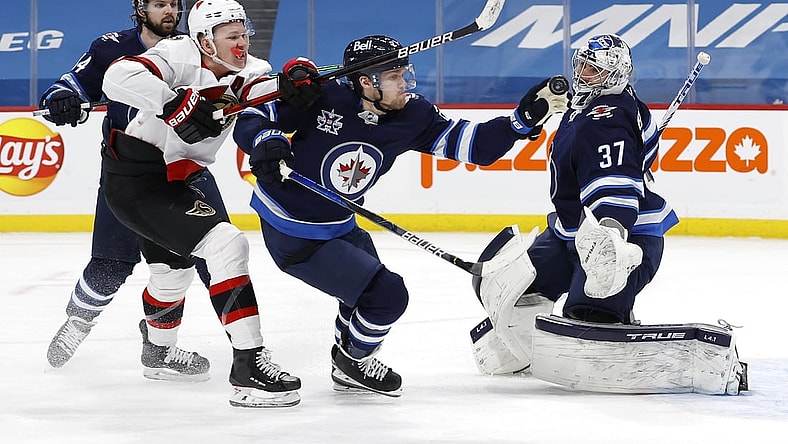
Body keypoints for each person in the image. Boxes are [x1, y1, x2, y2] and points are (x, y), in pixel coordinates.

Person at [232, 34, 569, 397]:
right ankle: (352, 361)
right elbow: (250, 115)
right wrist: (267, 139)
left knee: (360, 297)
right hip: (294, 231)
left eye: (405, 73)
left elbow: (475, 147)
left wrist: (519, 123)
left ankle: (347, 361)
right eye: (394, 77)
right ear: (366, 82)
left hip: (341, 223)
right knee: (387, 295)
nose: (405, 84)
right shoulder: (323, 96)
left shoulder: (413, 115)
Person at [466, 35, 748, 395]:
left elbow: (613, 189)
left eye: (594, 69)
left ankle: (613, 312)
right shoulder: (592, 104)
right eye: (581, 65)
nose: (583, 75)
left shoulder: (606, 118)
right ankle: (548, 331)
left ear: (615, 75)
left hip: (621, 238)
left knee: (589, 316)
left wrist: (611, 241)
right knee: (514, 291)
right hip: (569, 233)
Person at [100, 0, 300, 408]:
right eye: (232, 36)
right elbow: (117, 76)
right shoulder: (177, 53)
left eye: (244, 34)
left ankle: (157, 351)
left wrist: (298, 80)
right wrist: (175, 104)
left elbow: (263, 93)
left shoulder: (253, 70)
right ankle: (248, 367)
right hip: (136, 179)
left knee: (171, 274)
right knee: (226, 245)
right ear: (205, 40)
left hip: (183, 179)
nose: (241, 43)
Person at [42, 0, 217, 382]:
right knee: (112, 262)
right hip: (129, 171)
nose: (169, 11)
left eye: (174, 4)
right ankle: (78, 322)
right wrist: (61, 98)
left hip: (186, 170)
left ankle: (214, 349)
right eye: (159, 4)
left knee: (215, 257)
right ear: (140, 8)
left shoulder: (199, 49)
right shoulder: (110, 48)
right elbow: (69, 85)